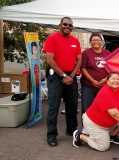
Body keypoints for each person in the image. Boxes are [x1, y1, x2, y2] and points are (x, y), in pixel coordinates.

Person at [43, 16, 82, 147]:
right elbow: (50, 60)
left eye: (70, 25)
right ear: (60, 24)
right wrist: (64, 75)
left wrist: (71, 76)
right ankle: (52, 135)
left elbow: (79, 60)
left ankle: (72, 131)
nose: (67, 27)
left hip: (71, 76)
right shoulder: (52, 38)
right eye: (65, 24)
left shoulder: (75, 41)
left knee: (72, 106)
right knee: (54, 107)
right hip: (56, 77)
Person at [72, 72, 119, 151]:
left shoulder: (118, 89)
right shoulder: (105, 93)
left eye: (118, 79)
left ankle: (112, 136)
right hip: (94, 123)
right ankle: (80, 136)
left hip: (105, 123)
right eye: (113, 79)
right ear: (107, 81)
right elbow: (114, 114)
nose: (116, 81)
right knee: (103, 147)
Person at [80, 33, 110, 134]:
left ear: (102, 42)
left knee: (102, 108)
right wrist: (93, 81)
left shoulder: (107, 53)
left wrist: (106, 79)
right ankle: (85, 129)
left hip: (103, 86)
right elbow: (83, 68)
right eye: (93, 40)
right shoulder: (86, 53)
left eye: (98, 40)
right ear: (90, 42)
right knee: (87, 107)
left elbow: (111, 69)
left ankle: (101, 128)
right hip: (88, 86)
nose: (96, 41)